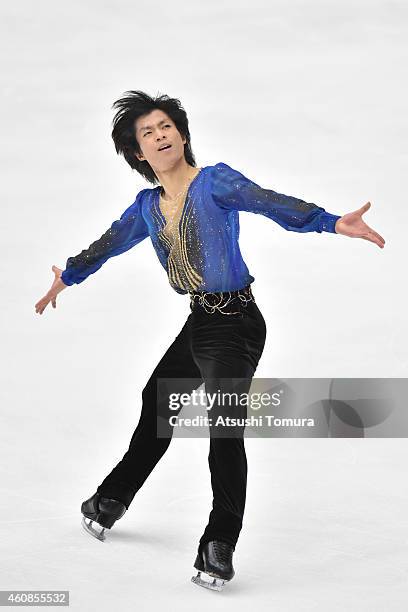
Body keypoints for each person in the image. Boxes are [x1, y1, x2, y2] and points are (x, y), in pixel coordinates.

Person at [35, 90, 385, 591]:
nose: (160, 135)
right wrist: (66, 277)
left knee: (224, 429)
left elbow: (271, 203)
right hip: (200, 322)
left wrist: (331, 222)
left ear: (181, 133)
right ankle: (110, 500)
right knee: (157, 405)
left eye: (165, 126)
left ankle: (219, 544)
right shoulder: (147, 207)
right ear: (138, 153)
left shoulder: (214, 182)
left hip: (235, 324)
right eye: (148, 133)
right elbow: (109, 243)